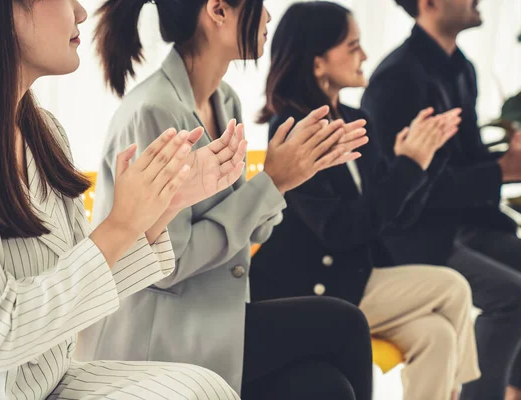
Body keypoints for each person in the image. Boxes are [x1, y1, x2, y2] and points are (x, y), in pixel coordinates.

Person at [0, 0, 248, 398]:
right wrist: (122, 223)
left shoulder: (43, 132)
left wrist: (163, 206)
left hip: (51, 381)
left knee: (207, 388)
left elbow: (82, 283)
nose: (81, 12)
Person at [75, 0, 372, 399]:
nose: (268, 17)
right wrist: (269, 183)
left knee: (325, 387)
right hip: (160, 337)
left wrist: (286, 181)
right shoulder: (154, 112)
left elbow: (253, 226)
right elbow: (168, 264)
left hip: (213, 320)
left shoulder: (224, 99)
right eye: (260, 5)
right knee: (343, 324)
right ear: (217, 11)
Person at [250, 3, 480, 400]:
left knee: (438, 336)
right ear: (318, 62)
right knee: (453, 287)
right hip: (313, 290)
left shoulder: (357, 120)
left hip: (357, 277)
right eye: (353, 46)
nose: (365, 56)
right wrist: (407, 168)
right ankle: (463, 394)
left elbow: (393, 217)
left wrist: (422, 158)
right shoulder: (294, 131)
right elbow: (341, 230)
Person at [361, 0, 521, 399]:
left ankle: (516, 391)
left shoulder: (460, 67)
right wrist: (504, 170)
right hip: (414, 233)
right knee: (513, 297)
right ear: (428, 3)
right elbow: (408, 191)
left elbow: (466, 162)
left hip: (463, 225)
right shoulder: (396, 79)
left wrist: (511, 162)